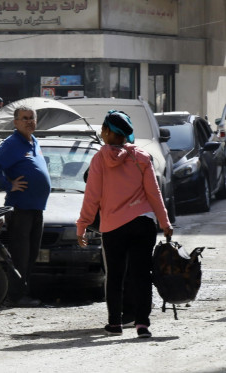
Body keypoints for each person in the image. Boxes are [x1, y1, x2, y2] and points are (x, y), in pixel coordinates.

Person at [77, 110, 173, 338]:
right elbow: (154, 193)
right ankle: (142, 325)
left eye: (103, 129)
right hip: (143, 224)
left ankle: (115, 324)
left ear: (109, 132)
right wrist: (165, 221)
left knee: (116, 276)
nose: (101, 133)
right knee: (141, 274)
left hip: (113, 227)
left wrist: (82, 225)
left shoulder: (99, 159)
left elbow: (92, 197)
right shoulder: (141, 157)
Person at [0, 105, 50, 306]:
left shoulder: (33, 141)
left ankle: (24, 292)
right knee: (20, 255)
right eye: (25, 118)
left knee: (31, 254)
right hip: (20, 208)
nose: (29, 121)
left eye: (32, 118)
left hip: (36, 207)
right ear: (16, 122)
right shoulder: (12, 143)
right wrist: (8, 185)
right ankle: (16, 296)